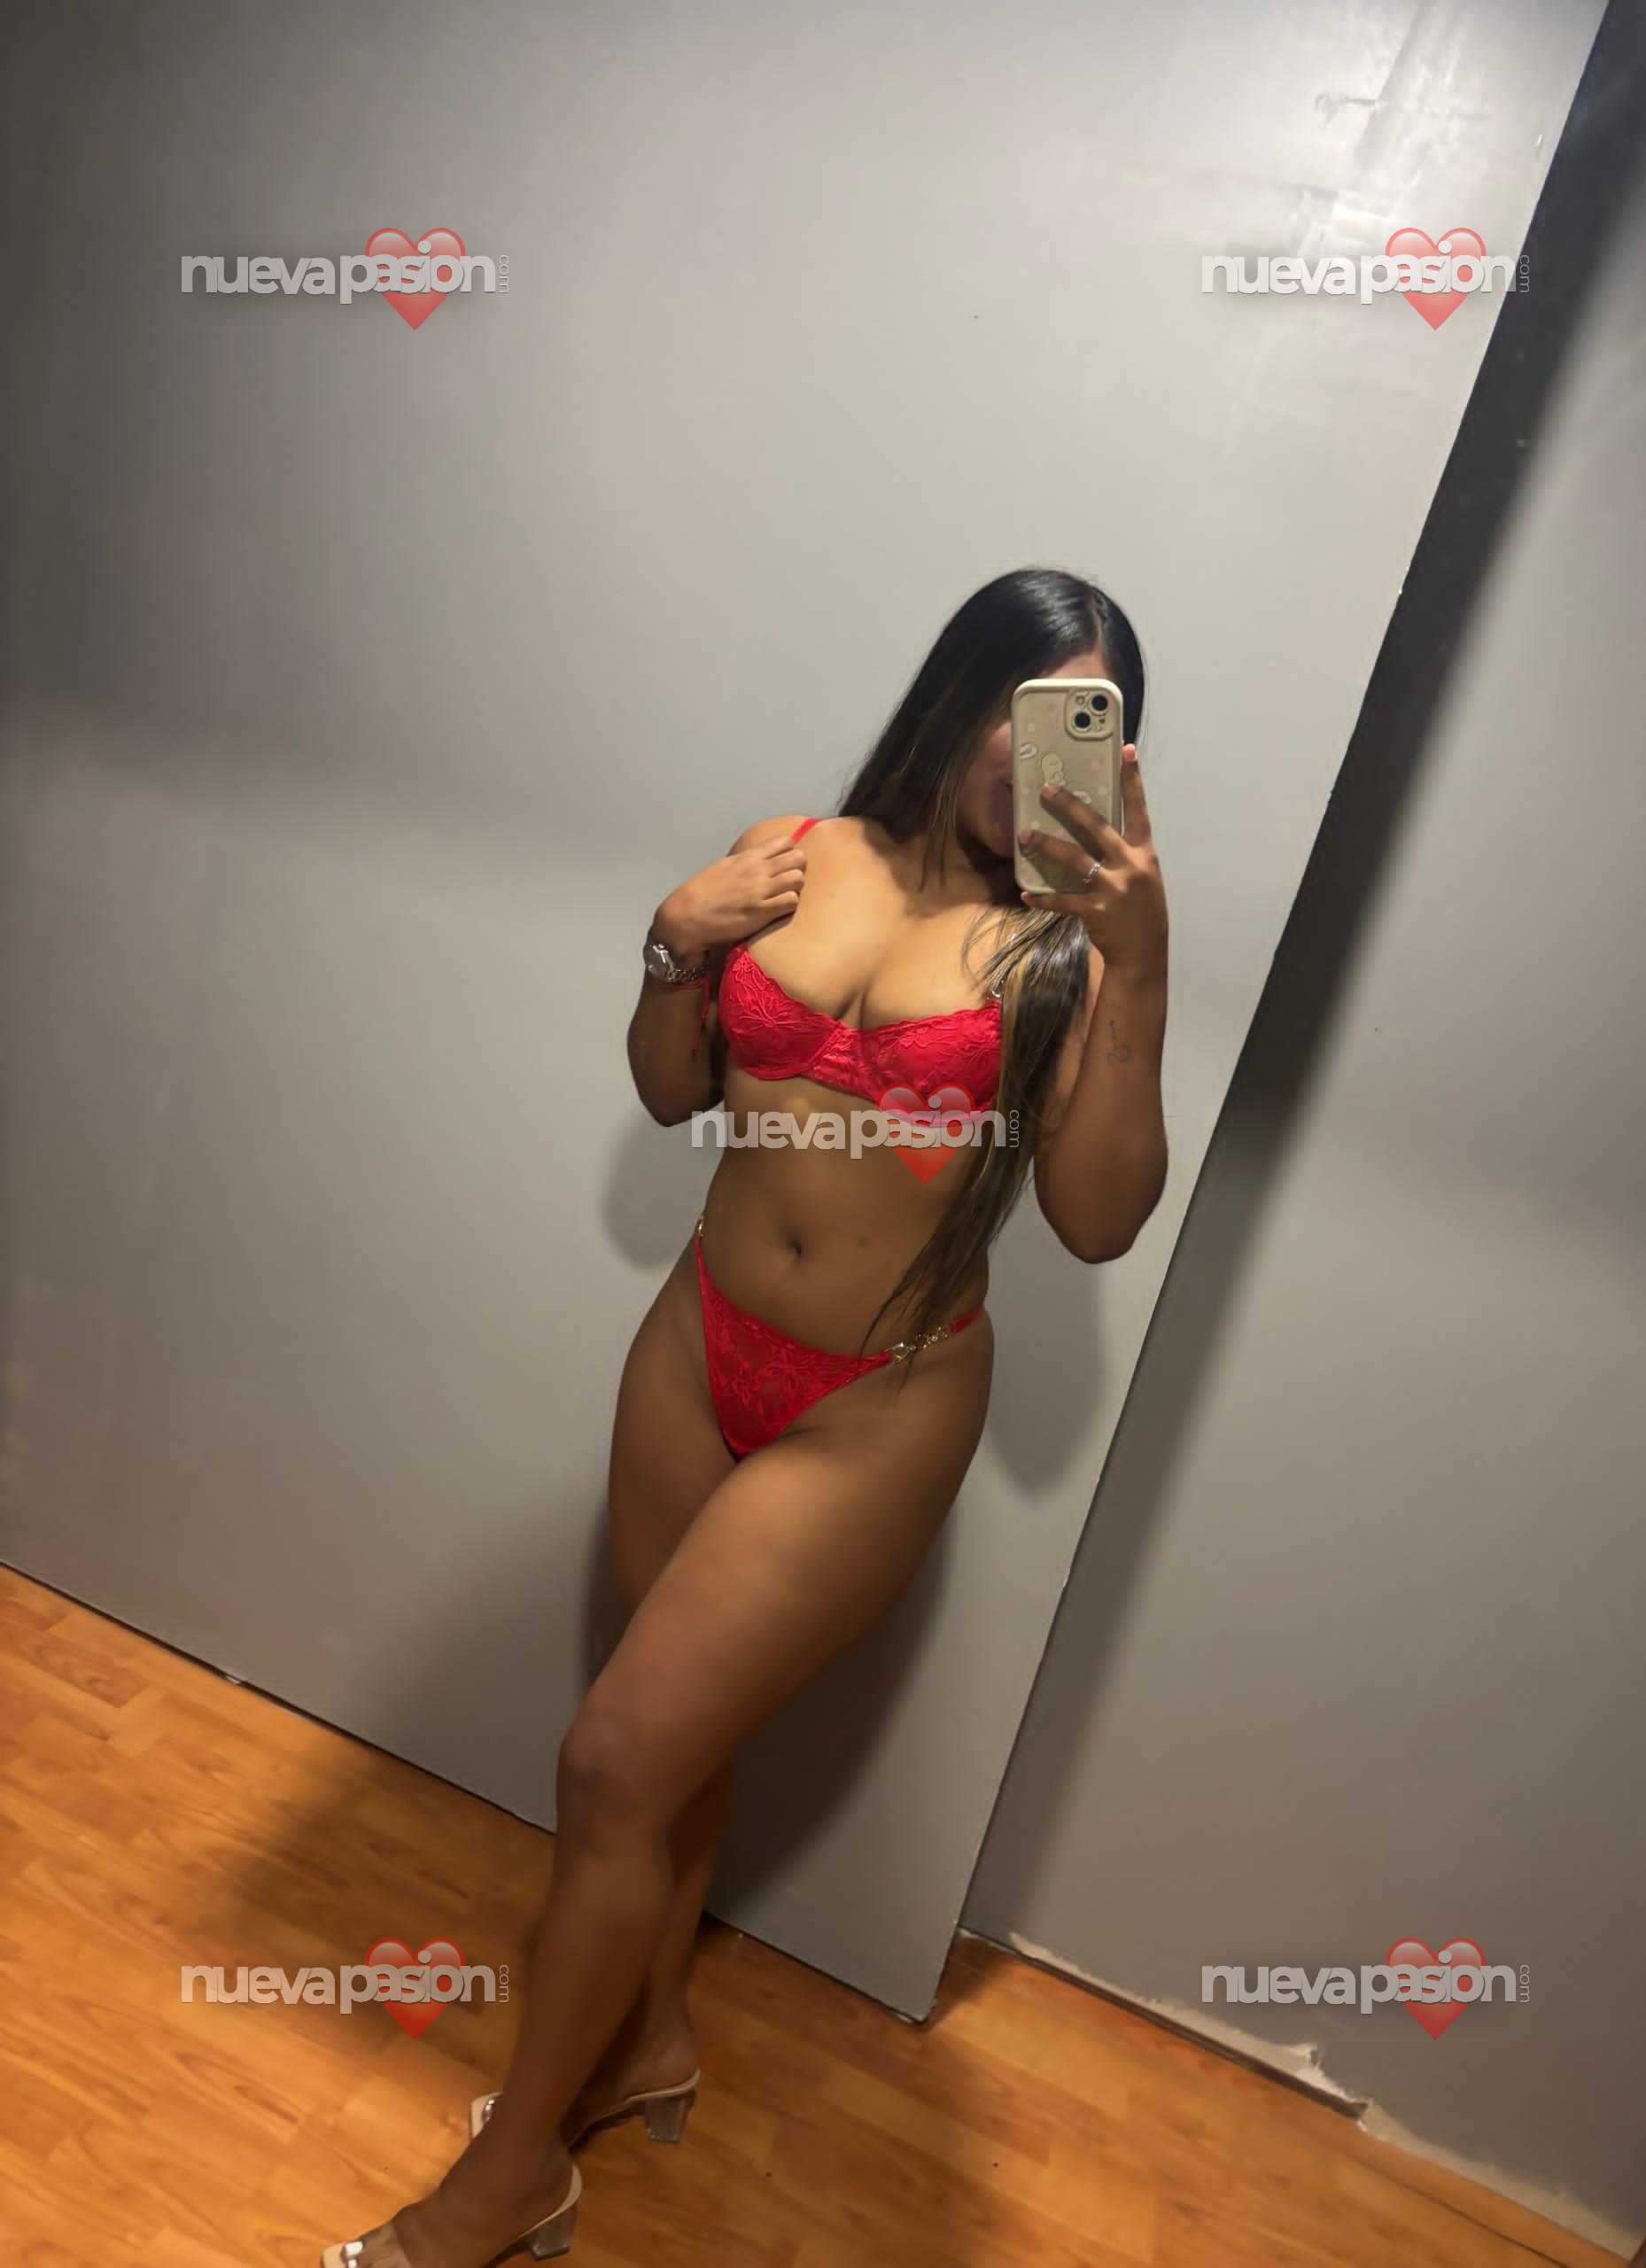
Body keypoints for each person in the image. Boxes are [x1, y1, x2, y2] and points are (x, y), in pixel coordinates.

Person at [320, 566, 1170, 2268]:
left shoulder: (1067, 956)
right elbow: (670, 1089)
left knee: (610, 1760)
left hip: (877, 1407)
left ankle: (512, 2177)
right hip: (694, 1345)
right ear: (962, 693)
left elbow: (1098, 1221)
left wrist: (1143, 965)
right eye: (1022, 710)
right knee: (667, 1755)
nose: (1035, 757)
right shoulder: (792, 853)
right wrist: (671, 939)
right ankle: (644, 2038)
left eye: (1081, 728)